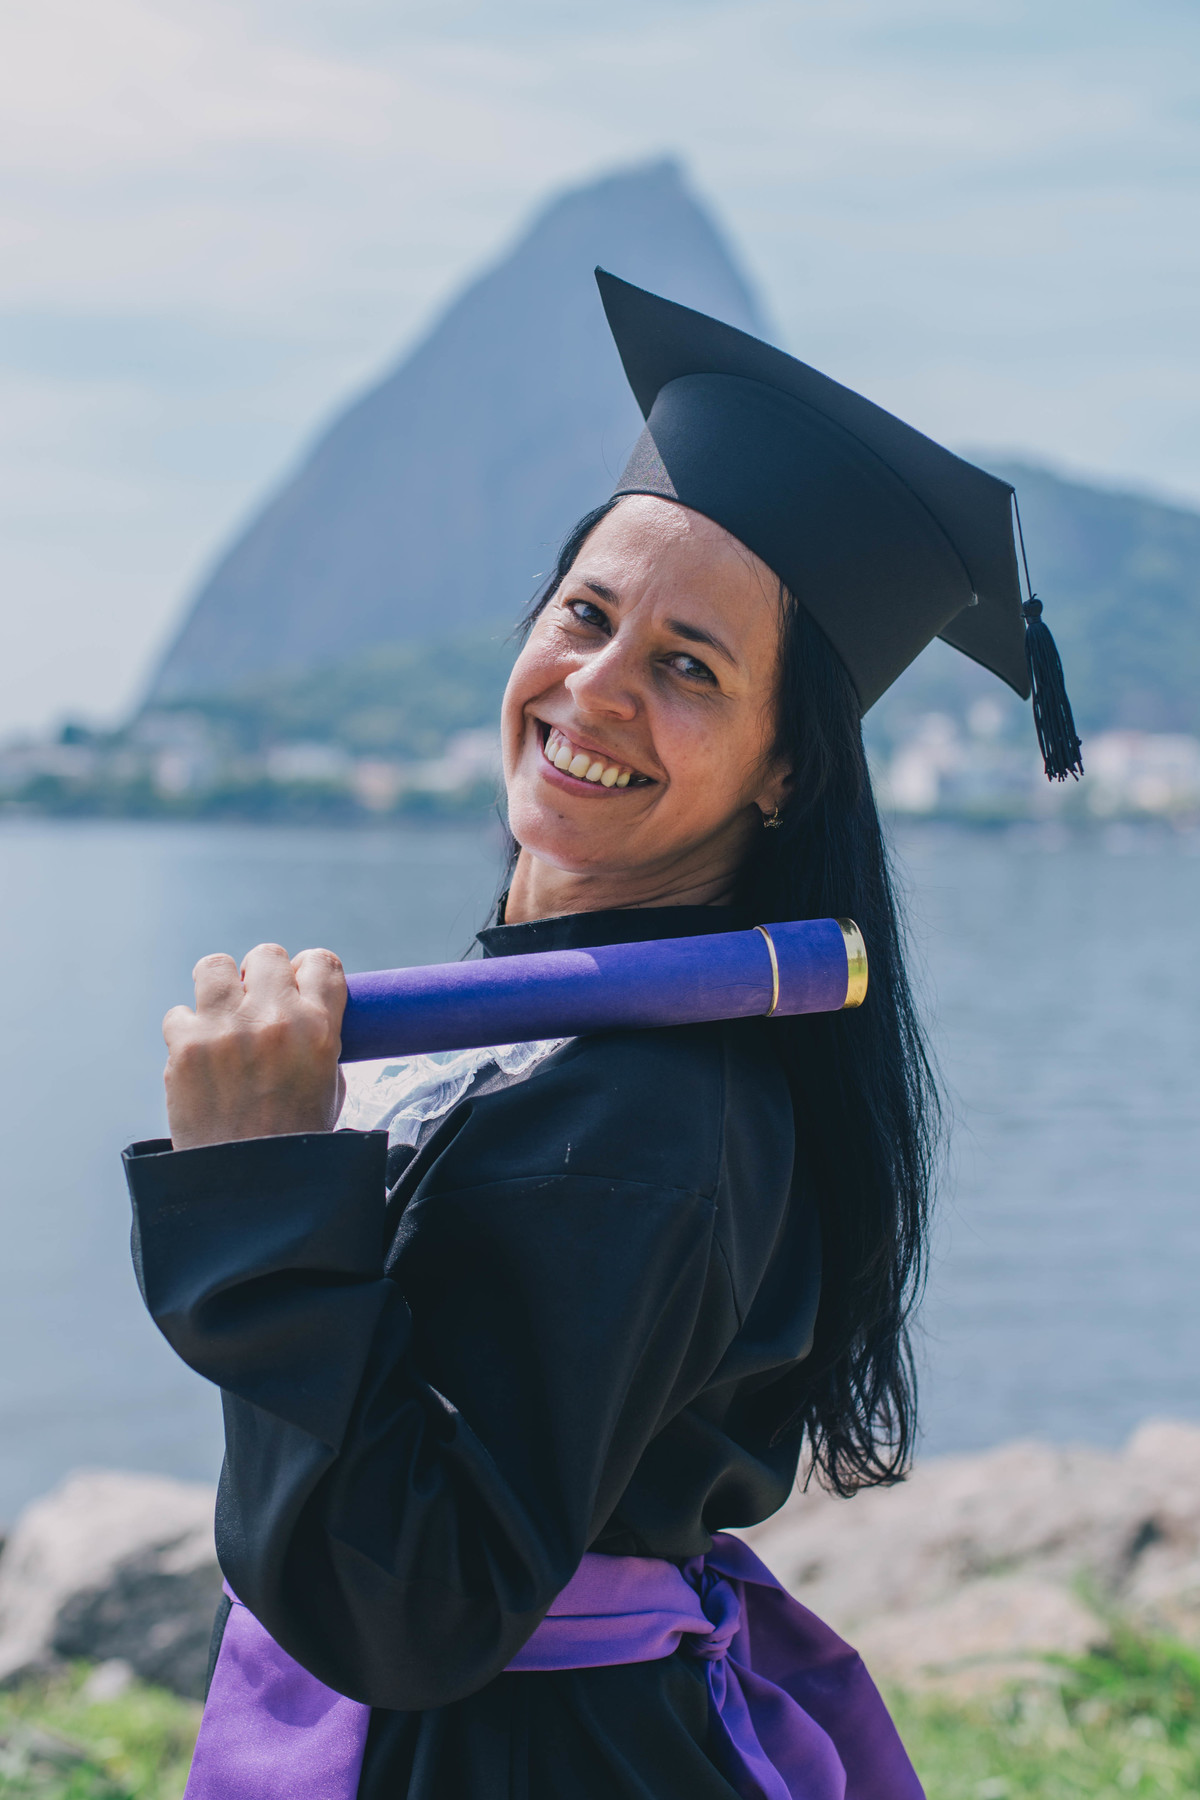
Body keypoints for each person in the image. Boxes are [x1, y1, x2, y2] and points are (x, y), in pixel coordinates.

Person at [124, 274, 1079, 1800]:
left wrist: (259, 1186)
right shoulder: (577, 1028)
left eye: (689, 667)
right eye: (586, 614)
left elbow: (407, 1599)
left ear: (785, 775)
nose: (598, 688)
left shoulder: (639, 1120)